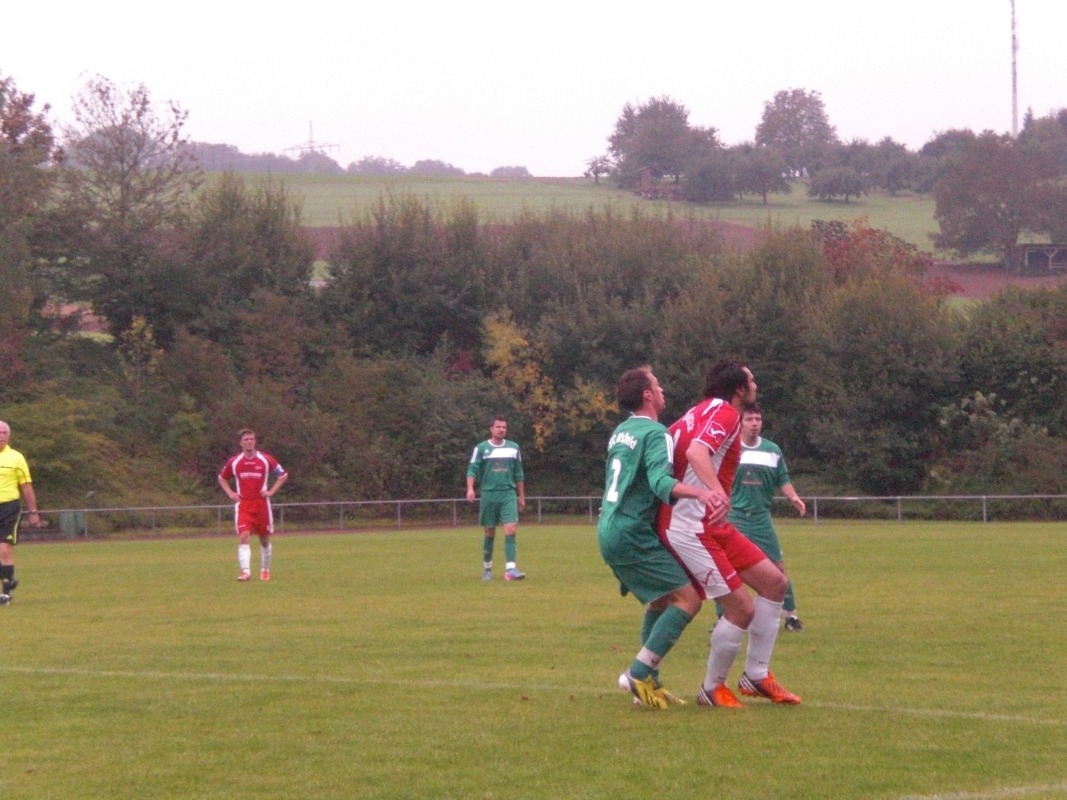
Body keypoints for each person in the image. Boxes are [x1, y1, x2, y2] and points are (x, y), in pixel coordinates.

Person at [658, 359, 801, 707]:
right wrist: (715, 492)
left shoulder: (696, 413)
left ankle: (756, 675)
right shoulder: (725, 413)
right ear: (739, 389)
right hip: (690, 527)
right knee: (741, 608)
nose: (756, 386)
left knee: (775, 584)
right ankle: (711, 688)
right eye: (751, 381)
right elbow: (695, 453)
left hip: (710, 524)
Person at [597, 367, 722, 710]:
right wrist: (700, 493)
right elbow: (659, 482)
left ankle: (649, 683)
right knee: (689, 600)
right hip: (630, 532)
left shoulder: (621, 432)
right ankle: (639, 672)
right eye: (657, 385)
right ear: (648, 396)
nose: (663, 388)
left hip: (608, 527)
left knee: (660, 600)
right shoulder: (656, 433)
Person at [728, 403, 807, 631]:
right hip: (736, 517)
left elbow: (782, 479)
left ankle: (791, 616)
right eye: (749, 419)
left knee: (777, 569)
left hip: (761, 518)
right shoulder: (731, 449)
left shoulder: (772, 450)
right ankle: (726, 617)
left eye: (757, 419)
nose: (754, 424)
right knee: (728, 569)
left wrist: (794, 498)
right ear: (740, 423)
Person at [217, 429, 288, 582]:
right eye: (246, 439)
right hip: (243, 504)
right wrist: (230, 493)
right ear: (241, 443)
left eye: (251, 439)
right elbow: (222, 478)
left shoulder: (265, 459)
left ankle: (265, 569)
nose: (249, 441)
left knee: (264, 540)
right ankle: (246, 572)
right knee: (244, 537)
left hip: (261, 504)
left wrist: (271, 491)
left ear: (255, 441)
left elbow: (283, 475)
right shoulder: (235, 462)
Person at [466, 416, 526, 581]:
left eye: (504, 427)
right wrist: (470, 488)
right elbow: (472, 469)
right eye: (498, 427)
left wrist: (521, 496)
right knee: (489, 532)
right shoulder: (482, 448)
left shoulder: (514, 448)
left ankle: (510, 570)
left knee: (511, 529)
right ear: (491, 429)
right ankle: (487, 568)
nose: (501, 429)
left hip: (508, 494)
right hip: (489, 495)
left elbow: (519, 474)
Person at [0, 421, 42, 606]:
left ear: (9, 436)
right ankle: (9, 578)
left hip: (9, 508)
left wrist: (33, 512)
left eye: (4, 432)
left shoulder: (16, 458)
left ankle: (6, 593)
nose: (1, 435)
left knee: (4, 549)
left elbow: (26, 486)